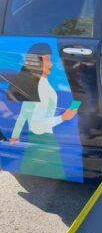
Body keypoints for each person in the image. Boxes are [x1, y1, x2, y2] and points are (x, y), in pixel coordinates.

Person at [6, 43, 78, 179]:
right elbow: (38, 125)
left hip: (40, 140)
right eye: (48, 60)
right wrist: (63, 117)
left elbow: (24, 114)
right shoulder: (40, 86)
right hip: (44, 140)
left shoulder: (39, 83)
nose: (51, 64)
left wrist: (15, 136)